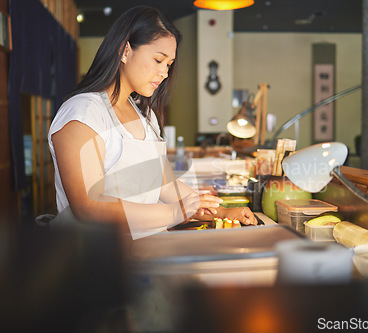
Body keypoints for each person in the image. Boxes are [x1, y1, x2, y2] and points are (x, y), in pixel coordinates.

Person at [48, 5, 257, 239]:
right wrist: (173, 213)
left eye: (168, 64)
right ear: (124, 51)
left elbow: (166, 186)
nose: (165, 73)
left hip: (145, 251)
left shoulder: (145, 116)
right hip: (93, 259)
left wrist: (224, 212)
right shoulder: (83, 113)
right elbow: (88, 206)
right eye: (158, 60)